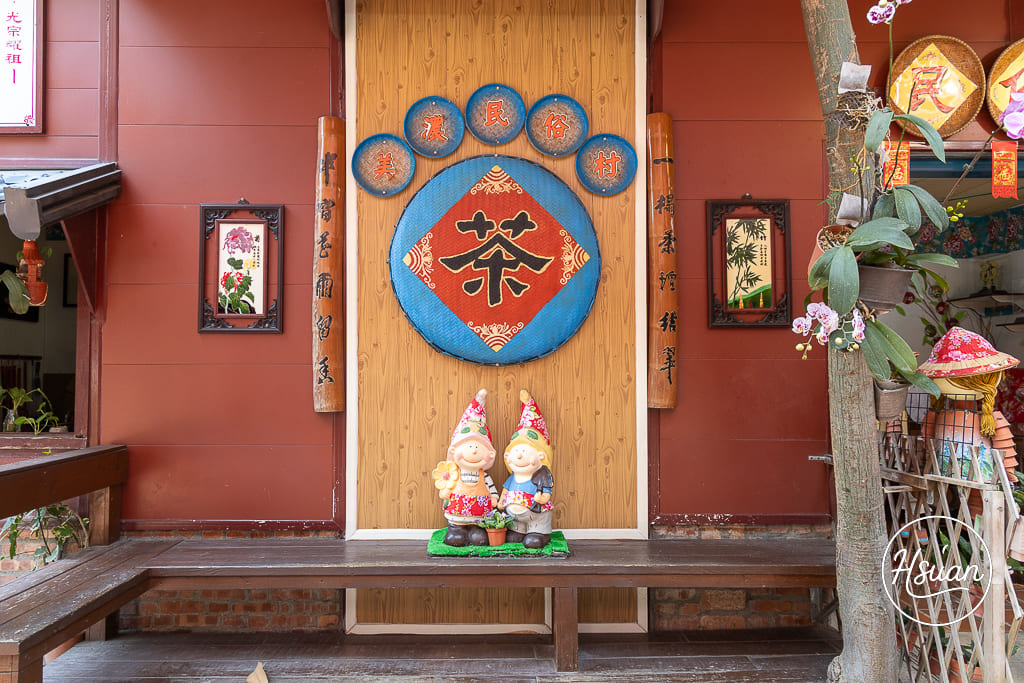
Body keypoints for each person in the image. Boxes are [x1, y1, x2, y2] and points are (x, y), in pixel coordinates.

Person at [432, 389, 498, 546]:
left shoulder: (484, 476)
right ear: (454, 451)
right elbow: (447, 488)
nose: (474, 451)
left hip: (479, 517)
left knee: (479, 539)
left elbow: (491, 488)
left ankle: (476, 531)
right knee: (455, 538)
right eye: (469, 446)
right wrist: (447, 491)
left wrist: (494, 497)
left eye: (478, 447)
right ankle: (456, 530)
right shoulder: (454, 473)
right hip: (457, 515)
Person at [498, 390, 553, 549]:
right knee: (513, 538)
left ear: (541, 456)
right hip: (515, 519)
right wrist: (502, 503)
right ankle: (519, 531)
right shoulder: (513, 477)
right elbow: (505, 491)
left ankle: (539, 533)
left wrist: (543, 498)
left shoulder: (541, 476)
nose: (520, 457)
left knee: (533, 540)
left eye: (525, 452)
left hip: (536, 517)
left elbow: (546, 493)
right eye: (516, 452)